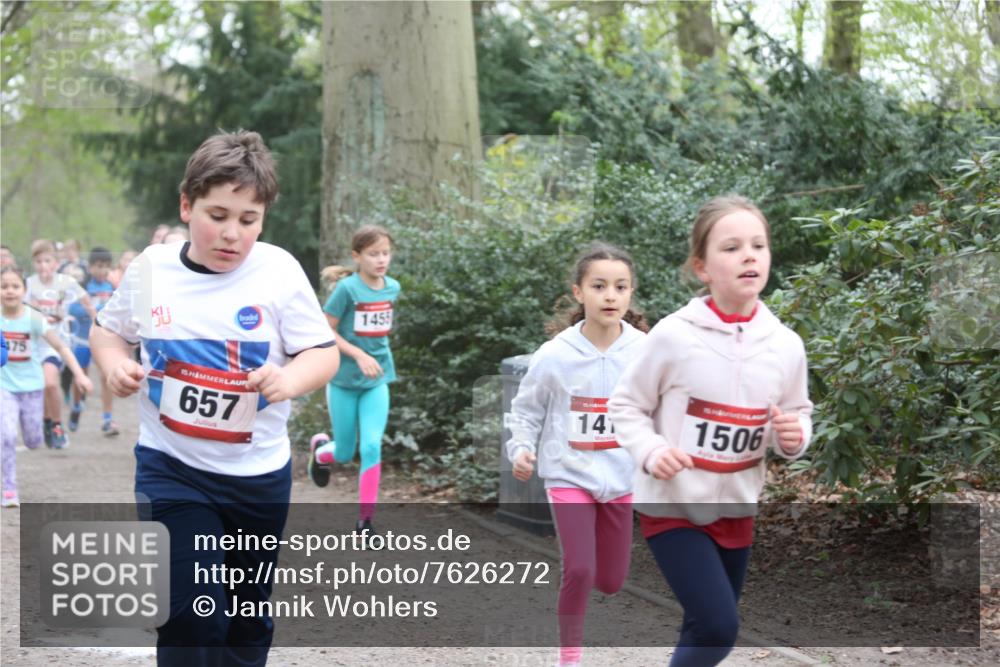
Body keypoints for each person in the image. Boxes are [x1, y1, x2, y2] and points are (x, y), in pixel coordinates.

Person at [91, 129, 339, 666]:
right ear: (187, 206)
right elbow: (109, 332)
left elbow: (323, 353)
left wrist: (288, 380)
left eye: (249, 220)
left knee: (245, 617)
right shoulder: (152, 270)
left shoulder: (277, 271)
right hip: (171, 467)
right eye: (218, 215)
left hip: (257, 478)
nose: (232, 234)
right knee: (190, 615)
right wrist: (114, 366)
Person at [609, 195, 813, 667]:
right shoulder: (674, 336)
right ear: (702, 267)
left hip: (737, 507)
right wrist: (651, 450)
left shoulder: (785, 345)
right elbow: (626, 404)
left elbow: (798, 412)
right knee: (719, 627)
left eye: (758, 245)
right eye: (732, 247)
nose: (749, 256)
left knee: (701, 628)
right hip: (673, 505)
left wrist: (794, 436)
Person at [506, 242, 648, 667]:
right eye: (599, 286)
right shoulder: (555, 355)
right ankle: (569, 657)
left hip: (621, 479)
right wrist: (521, 448)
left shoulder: (645, 351)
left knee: (611, 581)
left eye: (620, 287)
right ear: (578, 292)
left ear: (630, 293)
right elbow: (526, 410)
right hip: (568, 474)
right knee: (581, 568)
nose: (610, 296)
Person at [307, 225, 400, 538]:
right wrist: (359, 354)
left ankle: (365, 522)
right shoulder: (346, 290)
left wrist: (373, 357)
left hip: (377, 380)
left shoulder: (392, 287)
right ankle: (321, 453)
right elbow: (326, 330)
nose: (381, 259)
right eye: (373, 254)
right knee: (345, 453)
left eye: (385, 253)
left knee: (372, 446)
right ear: (357, 256)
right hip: (343, 381)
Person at [2, 267, 93, 507]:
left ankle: (42, 430)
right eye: (4, 286)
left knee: (33, 441)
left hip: (32, 387)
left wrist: (79, 375)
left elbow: (61, 347)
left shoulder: (34, 319)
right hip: (4, 387)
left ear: (24, 290)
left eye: (15, 286)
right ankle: (9, 489)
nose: (9, 291)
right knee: (7, 435)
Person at [26, 239, 96, 449]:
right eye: (38, 261)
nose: (43, 265)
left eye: (47, 261)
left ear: (56, 263)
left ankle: (56, 426)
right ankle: (47, 421)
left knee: (50, 383)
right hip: (32, 344)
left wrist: (97, 323)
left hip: (56, 344)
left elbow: (86, 301)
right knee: (41, 387)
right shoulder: (29, 284)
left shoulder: (66, 282)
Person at [66, 246, 117, 434]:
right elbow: (72, 309)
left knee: (106, 377)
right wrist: (93, 310)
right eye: (98, 266)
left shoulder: (111, 287)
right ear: (90, 267)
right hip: (82, 340)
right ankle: (76, 406)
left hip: (103, 340)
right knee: (81, 376)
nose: (102, 270)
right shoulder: (83, 286)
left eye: (106, 266)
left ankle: (108, 419)